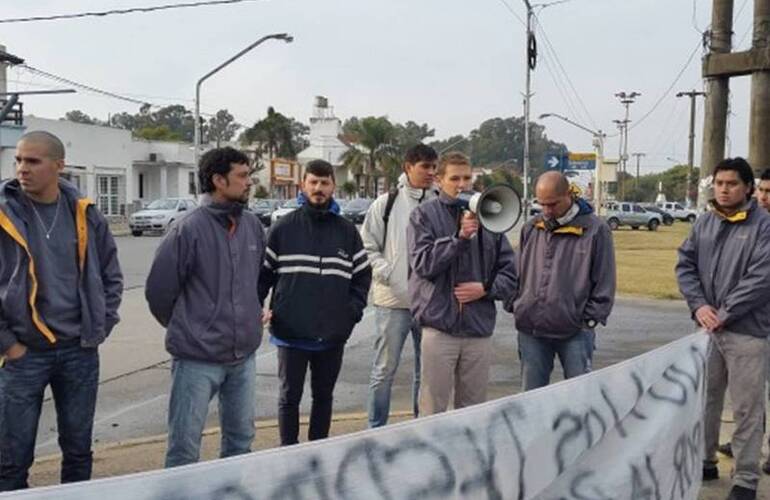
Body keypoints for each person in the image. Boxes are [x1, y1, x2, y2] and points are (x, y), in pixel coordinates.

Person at [0, 131, 123, 490]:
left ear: (58, 166)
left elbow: (111, 275)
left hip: (79, 351)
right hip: (23, 354)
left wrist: (101, 325)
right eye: (19, 160)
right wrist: (8, 344)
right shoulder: (4, 215)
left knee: (79, 451)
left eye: (33, 161)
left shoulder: (85, 213)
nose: (22, 169)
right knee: (11, 459)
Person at [145, 147, 265, 468]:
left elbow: (256, 281)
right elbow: (159, 293)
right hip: (196, 359)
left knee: (240, 443)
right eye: (242, 176)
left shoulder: (252, 226)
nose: (249, 182)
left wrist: (251, 318)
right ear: (218, 180)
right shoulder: (187, 229)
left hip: (243, 357)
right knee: (184, 449)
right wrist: (191, 328)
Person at [259, 159, 371, 446]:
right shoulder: (283, 229)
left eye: (324, 183)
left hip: (332, 335)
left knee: (323, 397)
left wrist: (351, 313)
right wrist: (258, 307)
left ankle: (318, 453)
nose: (319, 188)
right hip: (290, 333)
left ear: (333, 186)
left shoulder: (347, 231)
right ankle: (288, 453)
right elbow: (263, 276)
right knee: (288, 398)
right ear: (303, 185)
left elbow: (362, 277)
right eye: (313, 182)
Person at [676, 157, 770, 500]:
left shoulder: (763, 226)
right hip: (707, 330)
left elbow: (761, 278)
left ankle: (745, 477)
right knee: (706, 398)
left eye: (731, 184)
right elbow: (685, 264)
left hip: (747, 331)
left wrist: (725, 313)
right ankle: (704, 458)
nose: (724, 189)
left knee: (747, 407)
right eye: (719, 183)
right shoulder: (704, 223)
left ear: (747, 187)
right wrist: (699, 305)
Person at [407, 151, 516, 416]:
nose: (462, 184)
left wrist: (486, 289)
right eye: (454, 178)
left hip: (477, 330)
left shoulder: (490, 219)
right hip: (439, 327)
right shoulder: (423, 216)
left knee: (473, 410)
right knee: (433, 408)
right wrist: (458, 239)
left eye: (467, 177)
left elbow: (511, 274)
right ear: (439, 180)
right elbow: (422, 265)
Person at [511, 171, 615, 391]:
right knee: (531, 400)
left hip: (576, 332)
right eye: (542, 205)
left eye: (553, 204)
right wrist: (516, 304)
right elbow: (515, 272)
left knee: (578, 398)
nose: (547, 211)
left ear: (569, 194)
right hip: (531, 330)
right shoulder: (531, 228)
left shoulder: (596, 230)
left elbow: (605, 279)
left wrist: (589, 321)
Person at [361, 143, 438, 428]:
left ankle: (422, 426)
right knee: (383, 371)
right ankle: (376, 430)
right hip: (393, 302)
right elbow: (368, 246)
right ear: (408, 167)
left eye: (434, 167)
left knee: (427, 372)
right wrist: (388, 274)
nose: (431, 173)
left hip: (430, 303)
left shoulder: (439, 202)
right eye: (425, 167)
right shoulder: (385, 204)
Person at [716, 166, 770, 477]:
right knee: (748, 395)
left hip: (754, 322)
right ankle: (744, 443)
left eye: (769, 193)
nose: (764, 197)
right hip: (750, 320)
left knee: (754, 397)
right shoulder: (749, 224)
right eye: (762, 191)